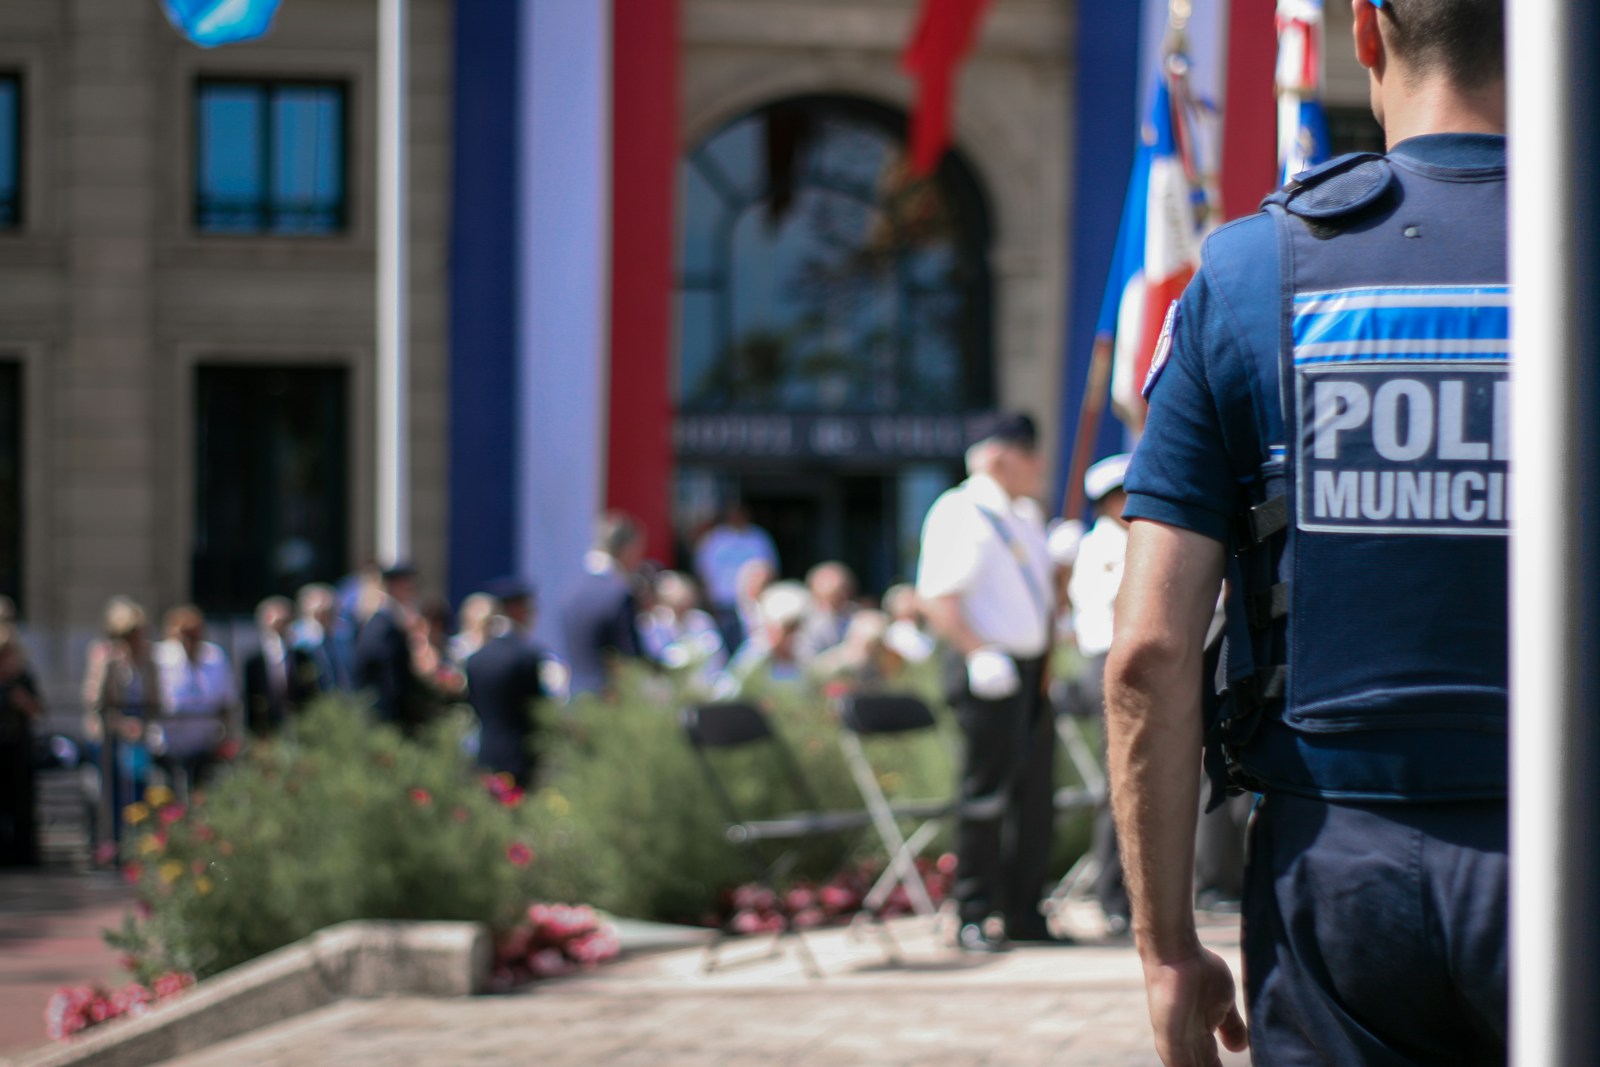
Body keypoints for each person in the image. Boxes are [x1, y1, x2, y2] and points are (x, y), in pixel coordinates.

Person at [1105, 2, 1509, 1063]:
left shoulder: (1245, 274)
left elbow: (1147, 650)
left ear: (1365, 32)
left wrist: (1164, 948)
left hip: (1336, 870)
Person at [915, 412, 1065, 950]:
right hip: (988, 667)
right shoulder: (961, 511)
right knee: (985, 797)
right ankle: (974, 911)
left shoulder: (1024, 514)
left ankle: (1025, 909)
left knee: (1035, 799)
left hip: (1029, 671)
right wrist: (976, 651)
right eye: (1030, 454)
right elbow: (936, 597)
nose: (1040, 465)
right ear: (1000, 457)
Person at [1065, 454, 1132, 938]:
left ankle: (1133, 894)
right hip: (1110, 662)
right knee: (1121, 784)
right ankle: (1113, 896)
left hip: (1140, 666)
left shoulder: (1133, 540)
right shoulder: (1100, 547)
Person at [81, 597, 161, 854]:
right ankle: (112, 845)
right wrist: (122, 725)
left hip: (138, 736)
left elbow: (156, 699)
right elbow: (94, 701)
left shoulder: (149, 656)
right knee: (112, 793)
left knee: (140, 789)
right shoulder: (104, 655)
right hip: (109, 735)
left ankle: (138, 845)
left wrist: (140, 725)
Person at [464, 577, 546, 786]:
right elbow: (536, 710)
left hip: (486, 753)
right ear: (517, 609)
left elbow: (474, 705)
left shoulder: (477, 659)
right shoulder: (525, 656)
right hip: (519, 757)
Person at [560, 512, 649, 697]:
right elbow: (628, 656)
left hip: (576, 695)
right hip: (610, 699)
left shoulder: (572, 591)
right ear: (626, 549)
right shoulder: (618, 593)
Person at [153, 605, 237, 792]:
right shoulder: (161, 657)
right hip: (170, 744)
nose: (189, 640)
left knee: (201, 794)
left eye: (193, 634)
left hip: (205, 743)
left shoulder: (214, 656)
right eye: (184, 634)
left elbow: (228, 700)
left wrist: (226, 735)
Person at [353, 563, 430, 732]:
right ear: (396, 586)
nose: (413, 590)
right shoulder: (383, 627)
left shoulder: (391, 622)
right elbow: (389, 679)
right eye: (409, 584)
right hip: (385, 717)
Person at [694, 503, 779, 653]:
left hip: (755, 605)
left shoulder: (758, 538)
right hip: (723, 604)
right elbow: (703, 571)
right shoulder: (715, 539)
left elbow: (771, 568)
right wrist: (708, 598)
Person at [242, 596, 318, 738]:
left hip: (297, 727)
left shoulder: (302, 657)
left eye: (286, 623)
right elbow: (250, 699)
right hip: (266, 726)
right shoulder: (254, 661)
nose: (282, 629)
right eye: (278, 623)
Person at [0, 625, 42, 866]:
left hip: (19, 750)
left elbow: (38, 710)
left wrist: (21, 699)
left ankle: (24, 856)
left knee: (22, 805)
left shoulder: (22, 678)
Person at [293, 583, 355, 693]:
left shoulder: (345, 635)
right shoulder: (296, 639)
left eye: (328, 613)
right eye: (318, 614)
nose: (324, 619)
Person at [796, 561, 856, 663]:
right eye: (834, 594)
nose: (842, 596)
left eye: (844, 590)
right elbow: (806, 660)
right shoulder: (803, 620)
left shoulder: (855, 615)